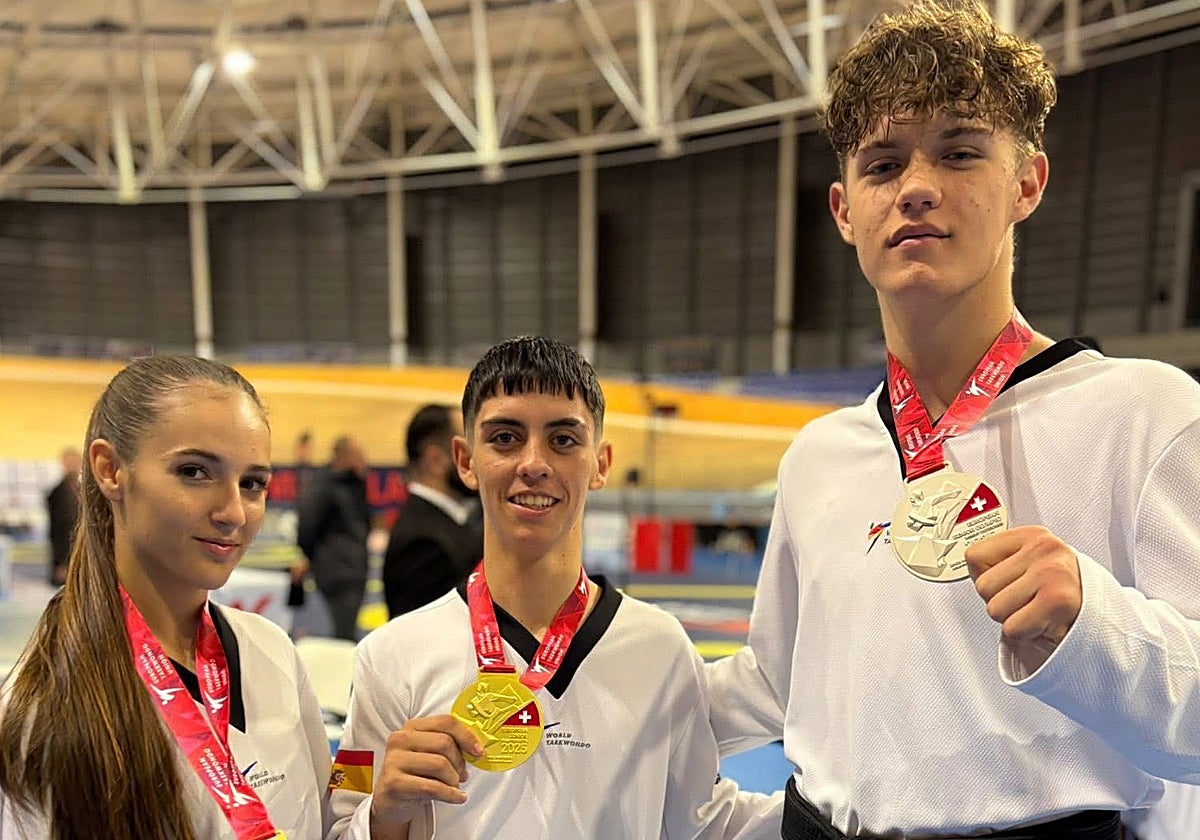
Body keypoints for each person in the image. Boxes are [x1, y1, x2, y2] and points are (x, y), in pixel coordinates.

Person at [705, 2, 1200, 838]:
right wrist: (581, 697)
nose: (919, 187)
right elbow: (778, 683)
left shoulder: (1146, 414)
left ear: (1027, 184)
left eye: (961, 152)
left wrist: (1095, 625)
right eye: (883, 164)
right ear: (843, 209)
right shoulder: (821, 455)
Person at [327, 335, 781, 840]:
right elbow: (342, 823)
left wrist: (835, 817)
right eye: (504, 438)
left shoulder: (662, 648)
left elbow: (700, 824)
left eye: (563, 439)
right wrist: (383, 817)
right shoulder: (389, 658)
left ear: (601, 464)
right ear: (465, 461)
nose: (533, 463)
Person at [0, 355, 331, 839]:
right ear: (110, 470)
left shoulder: (271, 650)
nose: (234, 512)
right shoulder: (40, 712)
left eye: (253, 483)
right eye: (195, 471)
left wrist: (386, 816)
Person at [382, 404, 483, 618]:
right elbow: (424, 641)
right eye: (467, 451)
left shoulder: (448, 523)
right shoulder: (422, 542)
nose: (479, 461)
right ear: (436, 460)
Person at [297, 436, 371, 641]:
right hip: (337, 572)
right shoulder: (324, 486)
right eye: (358, 455)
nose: (364, 460)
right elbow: (307, 526)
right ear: (344, 457)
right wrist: (316, 558)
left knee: (346, 630)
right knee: (344, 634)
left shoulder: (356, 485)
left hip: (355, 569)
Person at [45, 446, 81, 586]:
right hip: (66, 560)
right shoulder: (57, 494)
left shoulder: (86, 491)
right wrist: (62, 562)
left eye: (75, 462)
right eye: (69, 463)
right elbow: (59, 531)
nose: (72, 466)